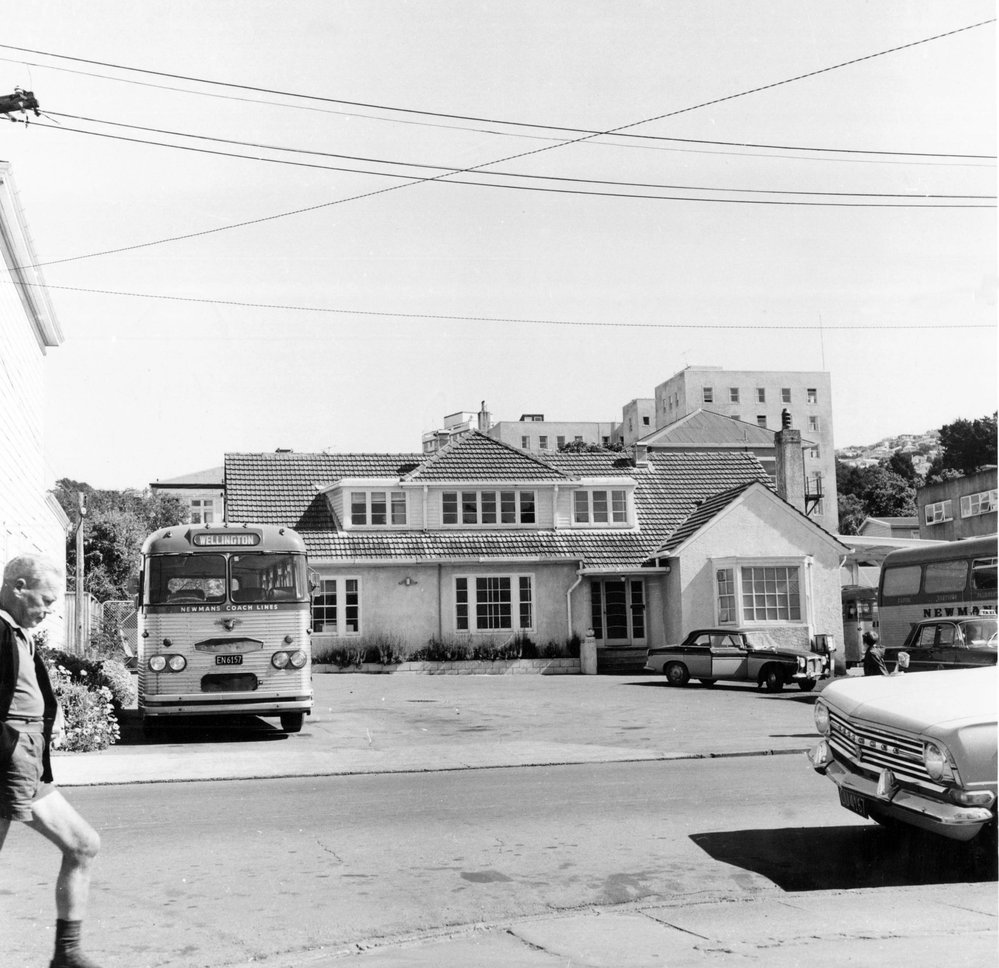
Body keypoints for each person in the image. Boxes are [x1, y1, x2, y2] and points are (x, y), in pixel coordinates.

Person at [0, 553, 103, 968]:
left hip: (27, 757)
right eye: (43, 601)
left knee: (83, 844)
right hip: (5, 754)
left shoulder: (19, 632)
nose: (46, 612)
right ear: (17, 587)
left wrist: (48, 716)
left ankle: (67, 955)